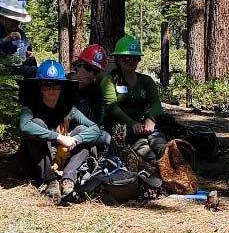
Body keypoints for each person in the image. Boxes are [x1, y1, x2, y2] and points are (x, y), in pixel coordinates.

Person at [18, 60, 103, 201]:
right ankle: (50, 181)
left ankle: (68, 179)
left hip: (62, 157)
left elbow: (95, 129)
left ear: (62, 87)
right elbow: (25, 126)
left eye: (56, 85)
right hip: (38, 163)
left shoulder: (69, 108)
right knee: (37, 124)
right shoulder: (31, 106)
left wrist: (76, 139)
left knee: (83, 131)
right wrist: (58, 137)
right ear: (40, 87)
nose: (52, 90)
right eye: (47, 85)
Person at [102, 34, 165, 163]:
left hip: (145, 127)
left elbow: (156, 103)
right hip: (120, 129)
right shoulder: (109, 79)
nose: (130, 61)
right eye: (126, 58)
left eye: (135, 58)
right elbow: (111, 106)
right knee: (147, 154)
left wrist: (150, 118)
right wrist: (132, 124)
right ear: (118, 60)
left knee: (162, 147)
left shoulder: (146, 80)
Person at [68, 44, 107, 125]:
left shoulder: (96, 90)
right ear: (78, 65)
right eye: (88, 68)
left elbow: (97, 118)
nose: (91, 74)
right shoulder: (61, 83)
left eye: (96, 72)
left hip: (85, 132)